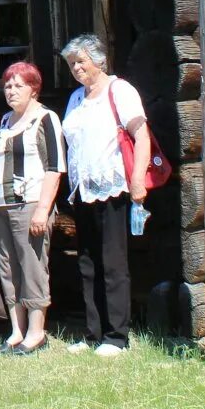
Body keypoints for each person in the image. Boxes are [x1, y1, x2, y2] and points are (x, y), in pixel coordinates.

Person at [60, 34, 149, 357]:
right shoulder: (75, 98)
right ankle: (92, 331)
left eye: (81, 61)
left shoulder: (120, 91)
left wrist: (138, 179)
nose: (76, 68)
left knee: (113, 263)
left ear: (99, 60)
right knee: (87, 263)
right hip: (83, 191)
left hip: (112, 188)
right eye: (72, 64)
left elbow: (141, 136)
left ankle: (116, 336)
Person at [0, 61, 65, 354]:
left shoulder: (45, 118)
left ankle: (36, 332)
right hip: (0, 205)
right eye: (8, 85)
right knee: (8, 267)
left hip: (30, 204)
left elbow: (55, 168)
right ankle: (16, 331)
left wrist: (43, 210)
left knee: (32, 266)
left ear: (34, 89)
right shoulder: (5, 120)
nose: (12, 91)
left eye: (19, 85)